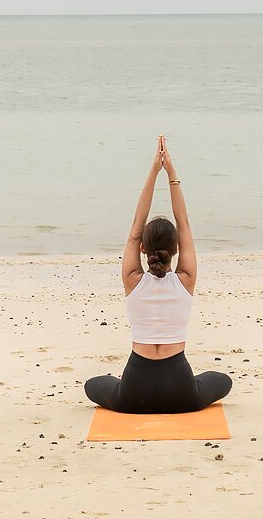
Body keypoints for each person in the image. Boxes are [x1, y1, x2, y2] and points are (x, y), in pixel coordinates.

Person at [84, 136, 232, 414]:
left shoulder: (133, 279)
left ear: (142, 248)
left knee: (92, 385)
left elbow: (136, 225)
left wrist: (153, 171)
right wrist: (171, 174)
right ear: (176, 249)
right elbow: (183, 223)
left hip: (134, 391)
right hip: (181, 391)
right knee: (223, 381)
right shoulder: (185, 279)